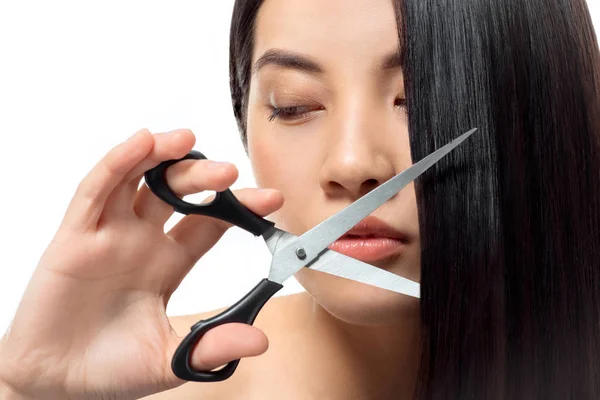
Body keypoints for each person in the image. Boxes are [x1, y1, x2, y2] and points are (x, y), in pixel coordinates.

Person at [1, 0, 599, 398]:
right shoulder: (151, 376)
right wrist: (25, 387)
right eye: (294, 105)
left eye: (419, 96)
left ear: (545, 113)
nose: (351, 164)